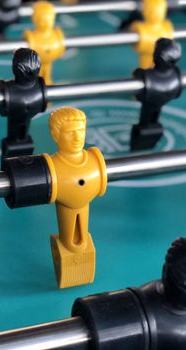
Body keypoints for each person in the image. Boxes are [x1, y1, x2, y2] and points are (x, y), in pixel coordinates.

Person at [45, 107, 107, 288]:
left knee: (78, 243)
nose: (78, 137)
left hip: (81, 210)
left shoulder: (94, 161)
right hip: (66, 218)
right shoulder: (54, 166)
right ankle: (70, 249)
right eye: (70, 132)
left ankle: (76, 250)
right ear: (55, 136)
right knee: (72, 243)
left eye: (81, 131)